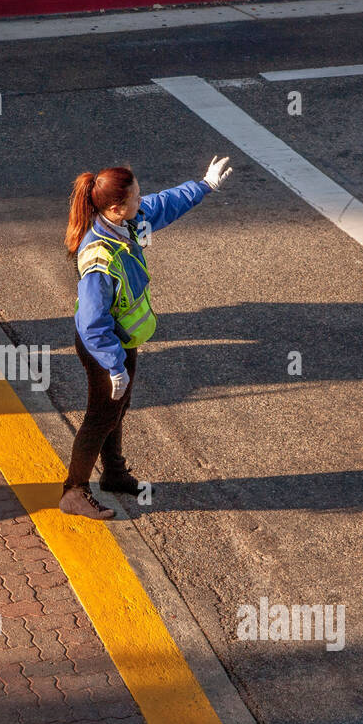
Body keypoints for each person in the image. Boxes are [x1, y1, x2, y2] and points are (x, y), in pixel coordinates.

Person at [60, 158, 233, 520]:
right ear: (115, 207)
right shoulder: (98, 257)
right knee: (99, 416)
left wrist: (204, 184)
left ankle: (115, 475)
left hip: (121, 339)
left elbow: (165, 203)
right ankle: (73, 492)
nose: (143, 199)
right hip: (102, 346)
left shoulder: (127, 221)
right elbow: (92, 323)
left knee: (116, 410)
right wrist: (112, 365)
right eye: (137, 195)